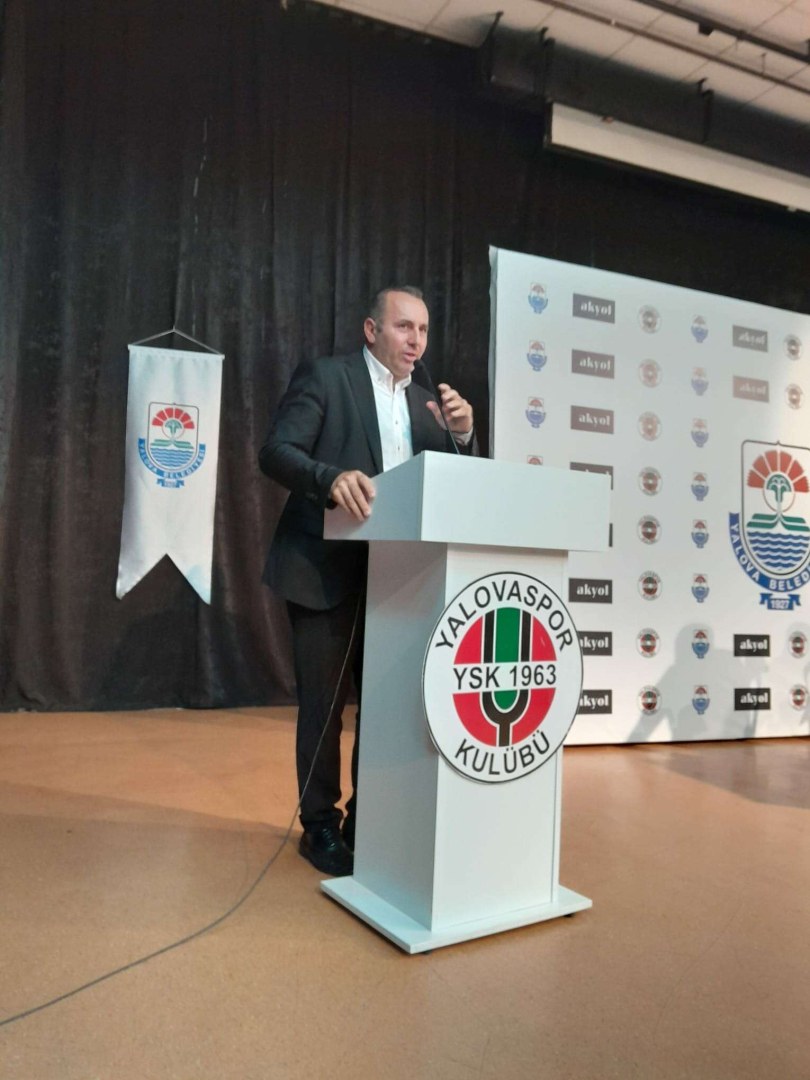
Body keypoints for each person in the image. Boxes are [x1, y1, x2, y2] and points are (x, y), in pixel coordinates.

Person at [259, 286, 477, 876]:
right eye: (404, 327)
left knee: (382, 708)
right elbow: (275, 452)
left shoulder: (430, 404)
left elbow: (452, 483)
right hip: (322, 568)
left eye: (423, 330)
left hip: (399, 577)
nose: (416, 340)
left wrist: (463, 435)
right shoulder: (328, 378)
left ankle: (368, 820)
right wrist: (328, 478)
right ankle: (320, 827)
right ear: (371, 330)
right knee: (325, 709)